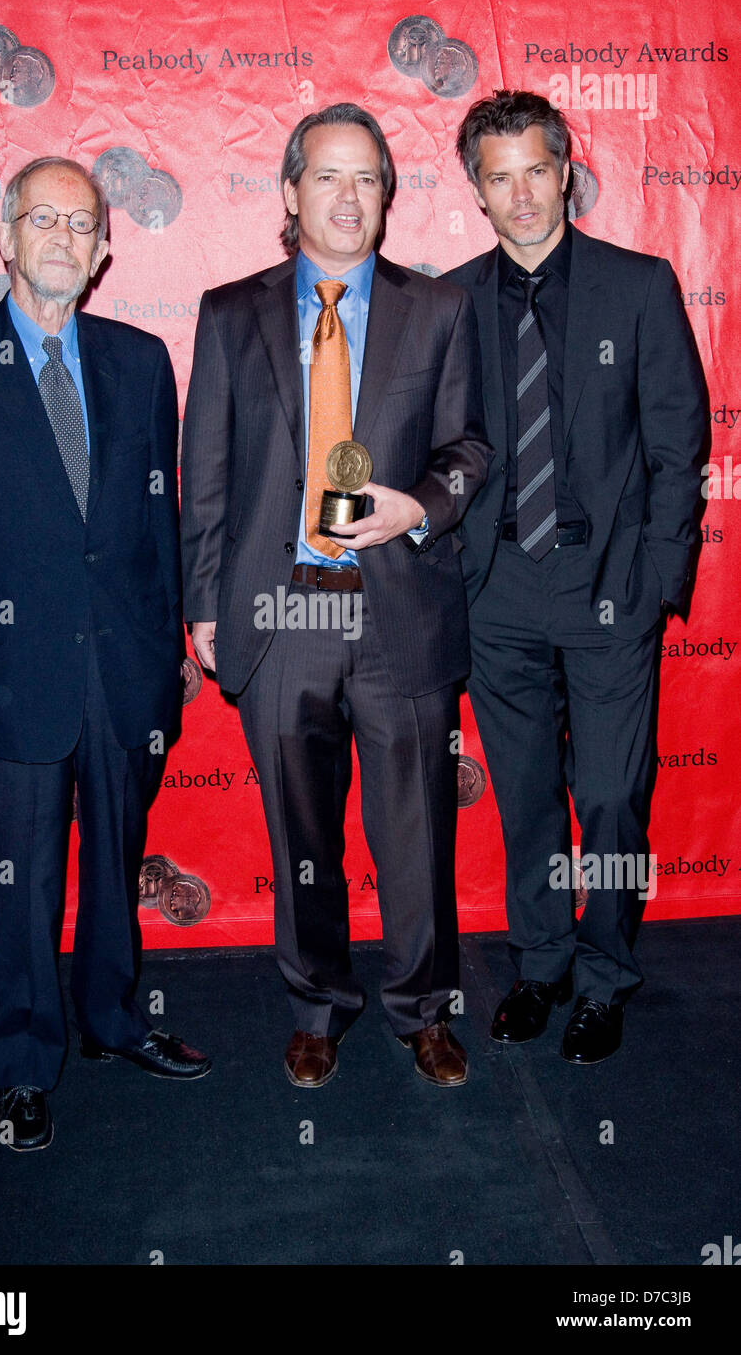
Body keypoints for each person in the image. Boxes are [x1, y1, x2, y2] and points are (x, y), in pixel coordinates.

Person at [0, 156, 210, 1152]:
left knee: (114, 862)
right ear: (4, 238)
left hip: (125, 671)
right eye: (43, 220)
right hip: (10, 673)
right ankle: (25, 1064)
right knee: (23, 877)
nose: (64, 238)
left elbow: (157, 528)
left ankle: (115, 1021)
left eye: (82, 225)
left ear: (106, 251)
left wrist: (174, 647)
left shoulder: (140, 360)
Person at [180, 103, 489, 1088]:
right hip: (281, 613)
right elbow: (208, 475)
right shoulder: (231, 314)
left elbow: (470, 449)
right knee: (300, 836)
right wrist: (204, 607)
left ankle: (424, 1009)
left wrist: (419, 506)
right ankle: (315, 1004)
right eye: (327, 177)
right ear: (288, 191)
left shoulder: (435, 309)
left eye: (366, 179)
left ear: (386, 197)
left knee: (414, 837)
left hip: (397, 609)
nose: (348, 197)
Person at [446, 90, 709, 1063]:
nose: (519, 195)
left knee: (605, 795)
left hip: (607, 585)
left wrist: (652, 584)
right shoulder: (451, 303)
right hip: (496, 591)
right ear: (476, 190)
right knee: (523, 796)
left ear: (566, 170)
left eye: (533, 170)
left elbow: (678, 446)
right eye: (496, 176)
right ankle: (542, 962)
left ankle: (605, 974)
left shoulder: (636, 287)